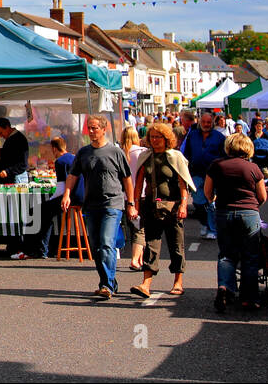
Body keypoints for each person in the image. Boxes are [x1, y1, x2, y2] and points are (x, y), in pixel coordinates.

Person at [62, 115, 134, 299]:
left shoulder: (115, 152)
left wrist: (131, 203)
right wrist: (67, 194)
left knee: (106, 243)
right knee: (95, 247)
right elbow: (73, 175)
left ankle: (106, 285)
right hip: (91, 204)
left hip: (113, 203)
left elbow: (127, 178)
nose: (91, 131)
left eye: (95, 128)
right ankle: (110, 281)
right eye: (89, 128)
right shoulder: (84, 152)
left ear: (104, 129)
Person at [130, 123, 194, 298]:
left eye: (159, 137)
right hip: (151, 206)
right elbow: (139, 182)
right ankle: (146, 284)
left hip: (172, 207)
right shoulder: (146, 156)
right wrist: (135, 204)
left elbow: (183, 183)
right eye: (152, 137)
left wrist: (183, 205)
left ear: (167, 139)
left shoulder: (175, 156)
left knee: (176, 245)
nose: (155, 140)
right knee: (151, 244)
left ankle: (178, 282)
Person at [206, 132, 268, 312]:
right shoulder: (253, 168)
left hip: (224, 212)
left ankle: (225, 288)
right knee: (250, 256)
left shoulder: (216, 166)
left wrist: (214, 200)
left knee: (226, 253)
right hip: (248, 213)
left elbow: (208, 192)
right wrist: (254, 206)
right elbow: (262, 196)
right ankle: (250, 298)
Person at [21, 137, 78, 260]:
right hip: (78, 197)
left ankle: (35, 250)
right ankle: (43, 249)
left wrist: (51, 199)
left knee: (37, 210)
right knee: (46, 214)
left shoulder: (60, 161)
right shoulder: (74, 157)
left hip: (68, 198)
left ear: (54, 148)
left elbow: (61, 188)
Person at [181, 110, 225, 240]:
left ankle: (212, 229)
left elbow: (224, 156)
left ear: (212, 123)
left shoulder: (219, 137)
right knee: (198, 202)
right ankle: (204, 223)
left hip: (213, 174)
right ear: (200, 122)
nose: (206, 124)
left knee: (211, 203)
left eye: (208, 122)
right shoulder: (192, 135)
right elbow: (186, 154)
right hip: (195, 173)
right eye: (204, 122)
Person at [121, 126, 149, 271]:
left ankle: (139, 257)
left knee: (133, 227)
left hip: (126, 195)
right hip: (142, 193)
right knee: (141, 228)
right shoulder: (142, 152)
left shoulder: (121, 153)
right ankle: (135, 259)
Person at [0, 117, 29, 184]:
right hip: (12, 177)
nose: (0, 136)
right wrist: (1, 152)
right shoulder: (10, 139)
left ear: (7, 127)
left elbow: (22, 163)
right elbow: (11, 154)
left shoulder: (18, 139)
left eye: (1, 132)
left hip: (17, 178)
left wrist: (7, 171)